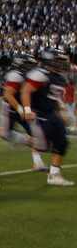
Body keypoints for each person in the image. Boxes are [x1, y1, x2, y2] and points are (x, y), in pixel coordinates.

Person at [21, 48, 74, 186]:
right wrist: (27, 110)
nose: (62, 64)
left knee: (62, 142)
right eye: (59, 60)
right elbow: (26, 90)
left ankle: (54, 175)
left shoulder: (60, 78)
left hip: (52, 114)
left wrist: (61, 112)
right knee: (43, 145)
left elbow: (54, 99)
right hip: (39, 114)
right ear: (49, 60)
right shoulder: (40, 74)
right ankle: (20, 139)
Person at [0, 53, 47, 171]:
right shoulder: (15, 75)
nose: (30, 67)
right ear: (19, 64)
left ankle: (38, 163)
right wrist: (20, 110)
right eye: (27, 64)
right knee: (5, 134)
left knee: (37, 136)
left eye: (31, 64)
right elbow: (8, 95)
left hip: (24, 107)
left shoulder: (29, 76)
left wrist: (28, 109)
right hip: (10, 108)